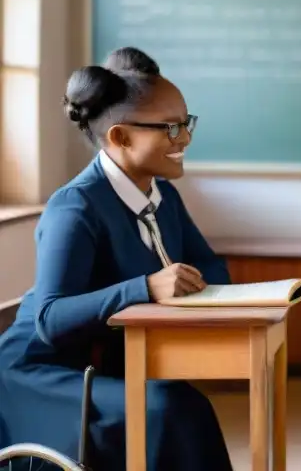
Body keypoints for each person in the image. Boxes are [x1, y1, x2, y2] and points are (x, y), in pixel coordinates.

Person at [0, 47, 234, 470]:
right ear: (120, 137)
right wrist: (146, 288)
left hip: (107, 360)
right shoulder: (75, 207)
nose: (184, 138)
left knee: (181, 401)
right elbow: (50, 320)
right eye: (170, 127)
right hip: (43, 373)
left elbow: (212, 268)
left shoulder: (164, 196)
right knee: (171, 406)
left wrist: (189, 292)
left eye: (186, 123)